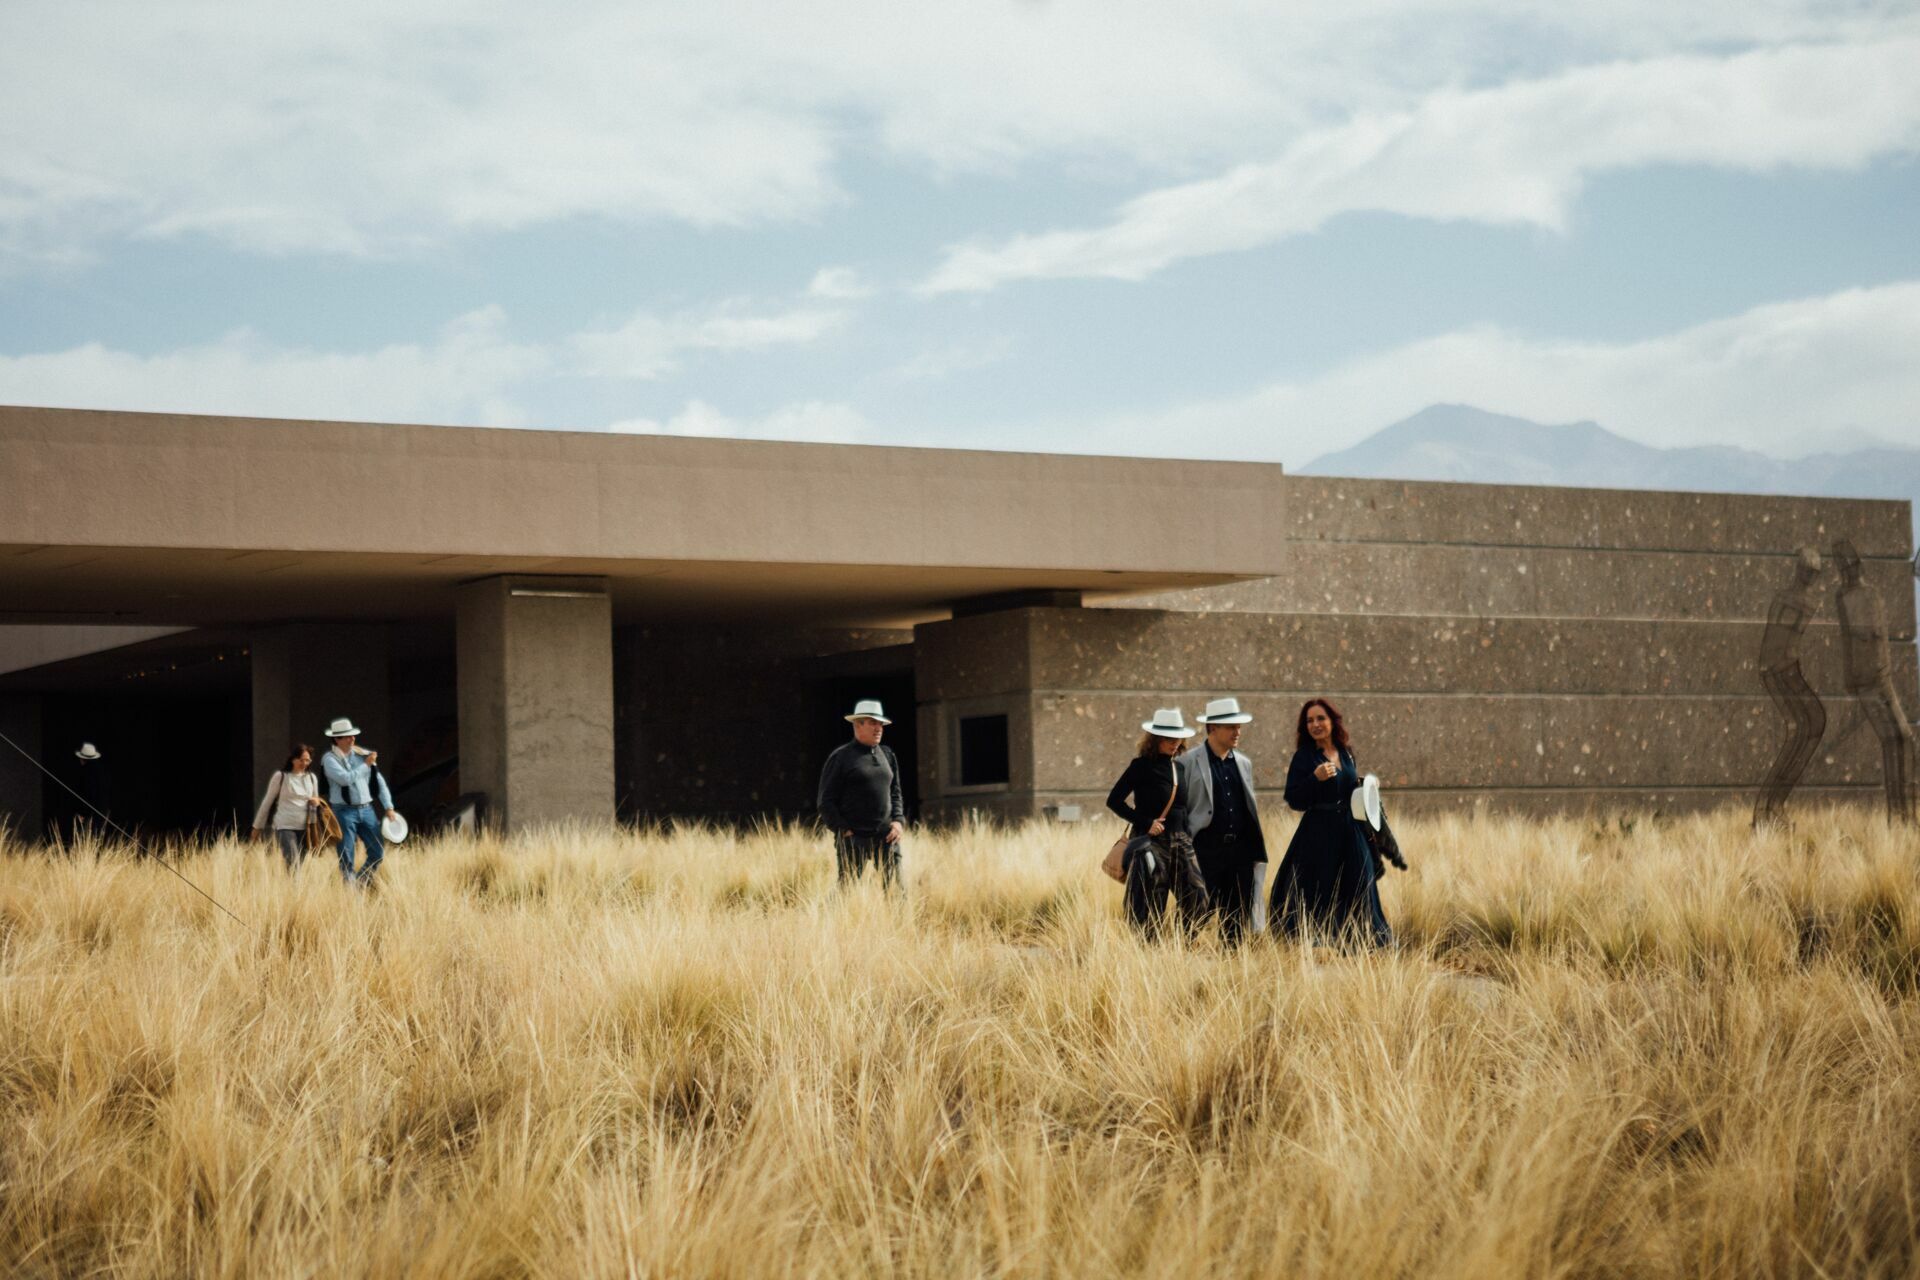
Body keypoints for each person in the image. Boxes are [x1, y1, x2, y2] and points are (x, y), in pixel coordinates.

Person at [1269, 698, 1392, 949]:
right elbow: (1294, 799)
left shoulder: (1346, 753)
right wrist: (1315, 779)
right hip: (1318, 832)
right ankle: (1317, 941)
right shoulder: (1303, 758)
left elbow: (1349, 789)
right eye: (1310, 720)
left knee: (1361, 880)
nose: (1315, 724)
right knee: (1318, 886)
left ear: (1332, 721)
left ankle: (1368, 940)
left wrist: (1366, 785)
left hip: (1350, 829)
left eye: (1320, 718)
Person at [1105, 708, 1207, 937]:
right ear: (1155, 738)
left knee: (1199, 899)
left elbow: (1183, 809)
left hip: (1180, 841)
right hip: (1149, 842)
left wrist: (1189, 839)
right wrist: (1145, 822)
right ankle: (1151, 956)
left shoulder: (1179, 768)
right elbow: (1114, 801)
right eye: (1168, 738)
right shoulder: (1140, 766)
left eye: (1177, 738)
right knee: (1149, 905)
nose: (1174, 743)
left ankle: (1182, 947)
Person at [1833, 539, 1914, 823]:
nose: (1850, 569)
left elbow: (1878, 637)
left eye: (1852, 563)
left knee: (1901, 738)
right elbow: (1855, 637)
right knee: (1894, 739)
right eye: (1845, 565)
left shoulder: (1871, 593)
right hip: (1868, 679)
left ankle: (1904, 813)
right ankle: (1898, 814)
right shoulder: (1846, 598)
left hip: (1882, 677)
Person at [1178, 697, 1268, 944]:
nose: (1237, 732)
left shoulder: (1244, 763)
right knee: (1194, 917)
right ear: (1212, 728)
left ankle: (1231, 972)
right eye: (1231, 727)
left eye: (1239, 726)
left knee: (1236, 921)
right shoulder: (1186, 762)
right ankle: (1179, 966)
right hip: (1204, 850)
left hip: (1240, 852)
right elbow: (1181, 810)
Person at [1752, 547, 1826, 827]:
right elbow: (1781, 640)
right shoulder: (1800, 601)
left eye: (1814, 574)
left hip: (1781, 667)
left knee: (1807, 728)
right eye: (1809, 572)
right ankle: (1769, 808)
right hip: (1781, 668)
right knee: (1807, 727)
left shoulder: (1790, 598)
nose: (1810, 578)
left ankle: (1771, 807)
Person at [816, 699, 905, 889]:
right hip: (854, 838)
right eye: (873, 723)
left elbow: (895, 792)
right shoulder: (841, 758)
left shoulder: (888, 755)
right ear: (857, 724)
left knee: (896, 893)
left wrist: (898, 821)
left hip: (886, 837)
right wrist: (843, 830)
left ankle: (897, 920)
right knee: (847, 892)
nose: (878, 728)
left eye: (880, 723)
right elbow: (825, 801)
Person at [320, 717, 398, 885]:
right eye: (347, 736)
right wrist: (366, 766)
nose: (352, 738)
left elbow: (379, 782)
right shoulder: (329, 759)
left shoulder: (362, 755)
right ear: (337, 739)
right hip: (343, 811)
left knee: (377, 852)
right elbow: (344, 779)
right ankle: (351, 893)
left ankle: (360, 883)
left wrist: (388, 807)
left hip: (367, 809)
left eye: (352, 735)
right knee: (347, 855)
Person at [252, 743, 324, 870]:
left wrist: (316, 802)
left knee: (300, 865)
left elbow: (316, 799)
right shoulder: (281, 777)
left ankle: (294, 888)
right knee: (293, 862)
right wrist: (257, 827)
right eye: (301, 760)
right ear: (293, 759)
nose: (304, 763)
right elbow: (267, 802)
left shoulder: (312, 778)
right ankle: (295, 888)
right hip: (285, 825)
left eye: (307, 760)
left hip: (306, 827)